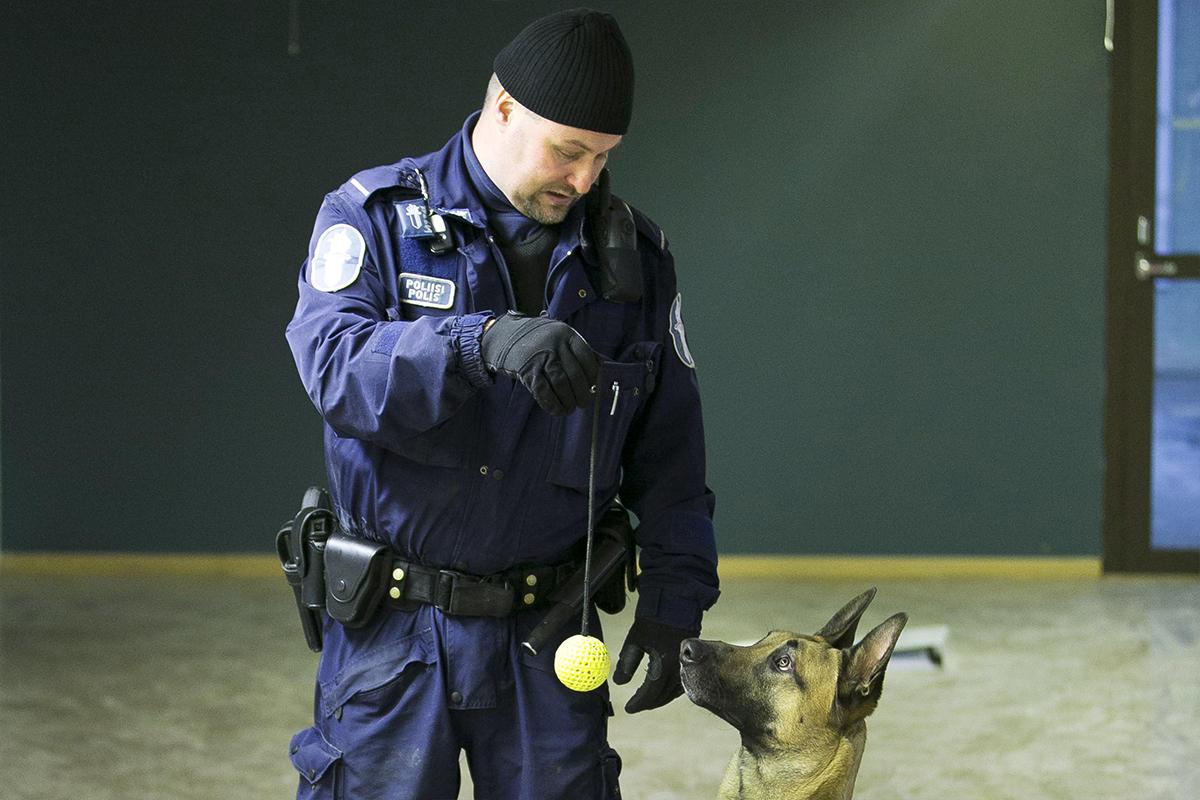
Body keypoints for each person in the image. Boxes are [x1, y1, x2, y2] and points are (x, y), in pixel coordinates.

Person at [284, 8, 718, 799]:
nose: (585, 179)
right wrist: (473, 341)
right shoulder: (373, 221)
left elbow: (672, 455)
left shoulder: (634, 265)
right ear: (505, 108)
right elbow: (334, 367)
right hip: (395, 633)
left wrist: (676, 598)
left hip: (547, 635)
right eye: (568, 150)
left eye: (603, 157)